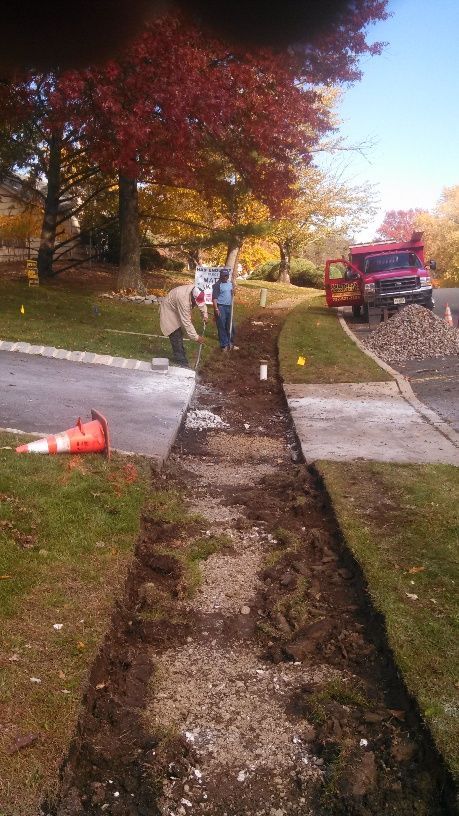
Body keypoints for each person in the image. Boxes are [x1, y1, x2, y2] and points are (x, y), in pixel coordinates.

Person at [159, 283, 207, 367]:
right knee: (175, 333)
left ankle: (181, 355)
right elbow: (186, 323)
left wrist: (205, 315)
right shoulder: (184, 300)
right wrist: (196, 337)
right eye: (195, 302)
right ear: (192, 297)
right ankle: (181, 362)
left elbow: (201, 303)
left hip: (176, 307)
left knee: (179, 333)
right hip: (169, 310)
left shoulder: (196, 291)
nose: (196, 304)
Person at [212, 269, 236, 352]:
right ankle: (224, 345)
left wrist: (233, 292)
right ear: (220, 276)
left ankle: (231, 343)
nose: (225, 277)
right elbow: (214, 298)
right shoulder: (217, 285)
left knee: (230, 326)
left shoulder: (230, 284)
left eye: (226, 275)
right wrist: (216, 308)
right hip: (221, 307)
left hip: (229, 307)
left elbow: (233, 293)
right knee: (221, 326)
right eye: (224, 276)